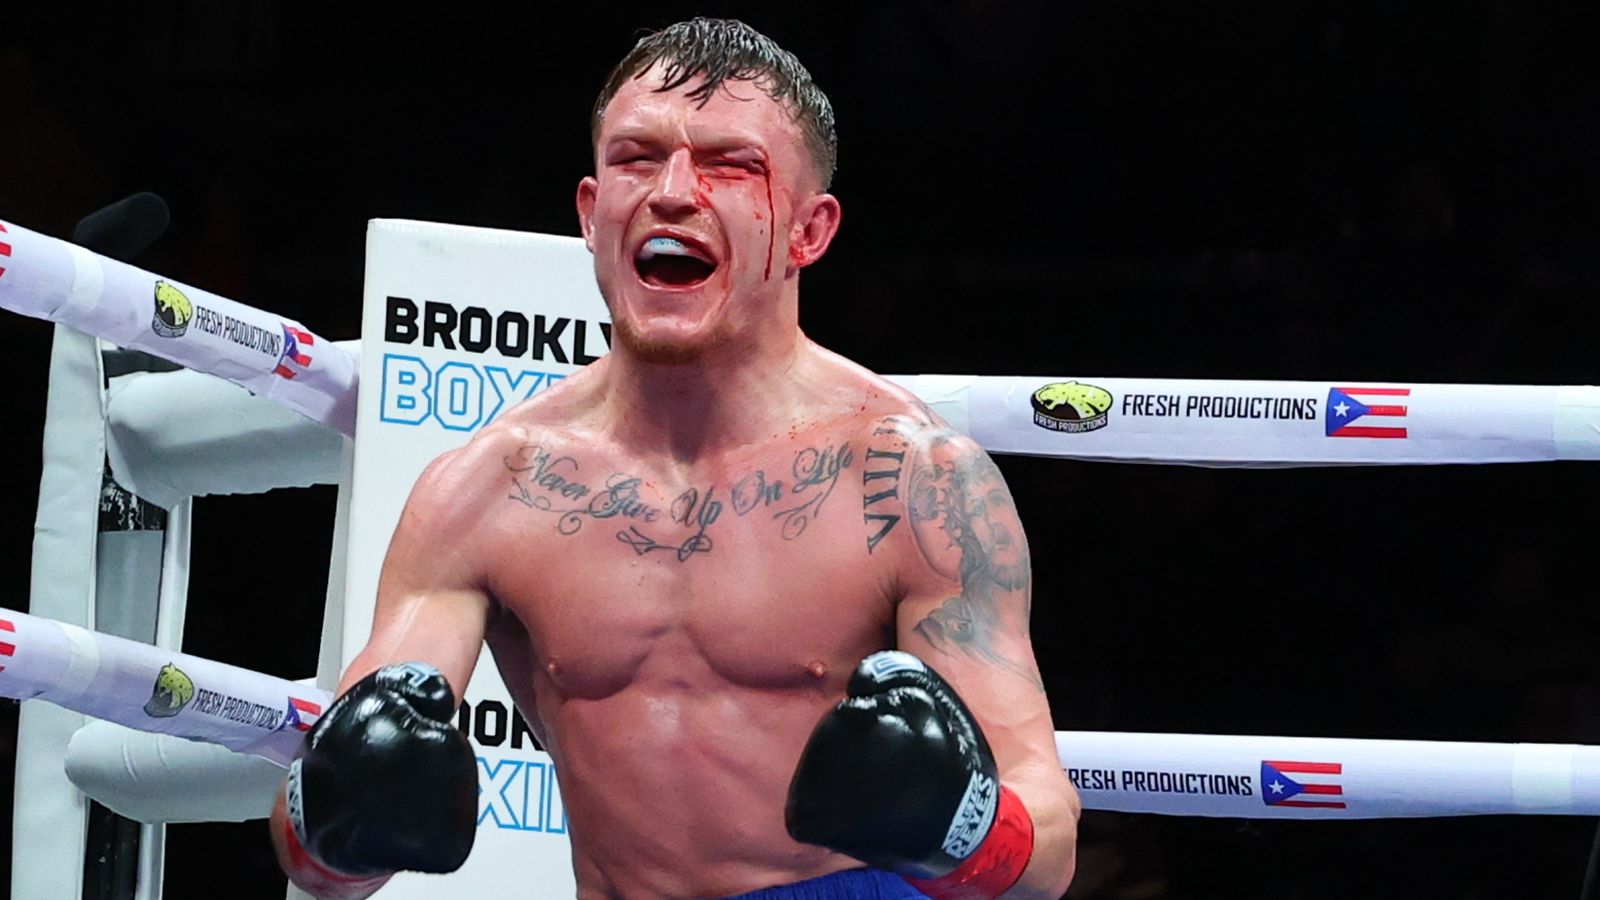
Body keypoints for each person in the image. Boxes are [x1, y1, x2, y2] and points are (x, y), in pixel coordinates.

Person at [270, 17, 1079, 899]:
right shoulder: (490, 491)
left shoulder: (907, 485)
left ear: (809, 231)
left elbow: (1047, 854)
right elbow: (320, 859)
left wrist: (961, 824)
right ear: (591, 213)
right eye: (637, 158)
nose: (672, 192)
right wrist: (339, 816)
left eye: (730, 165)